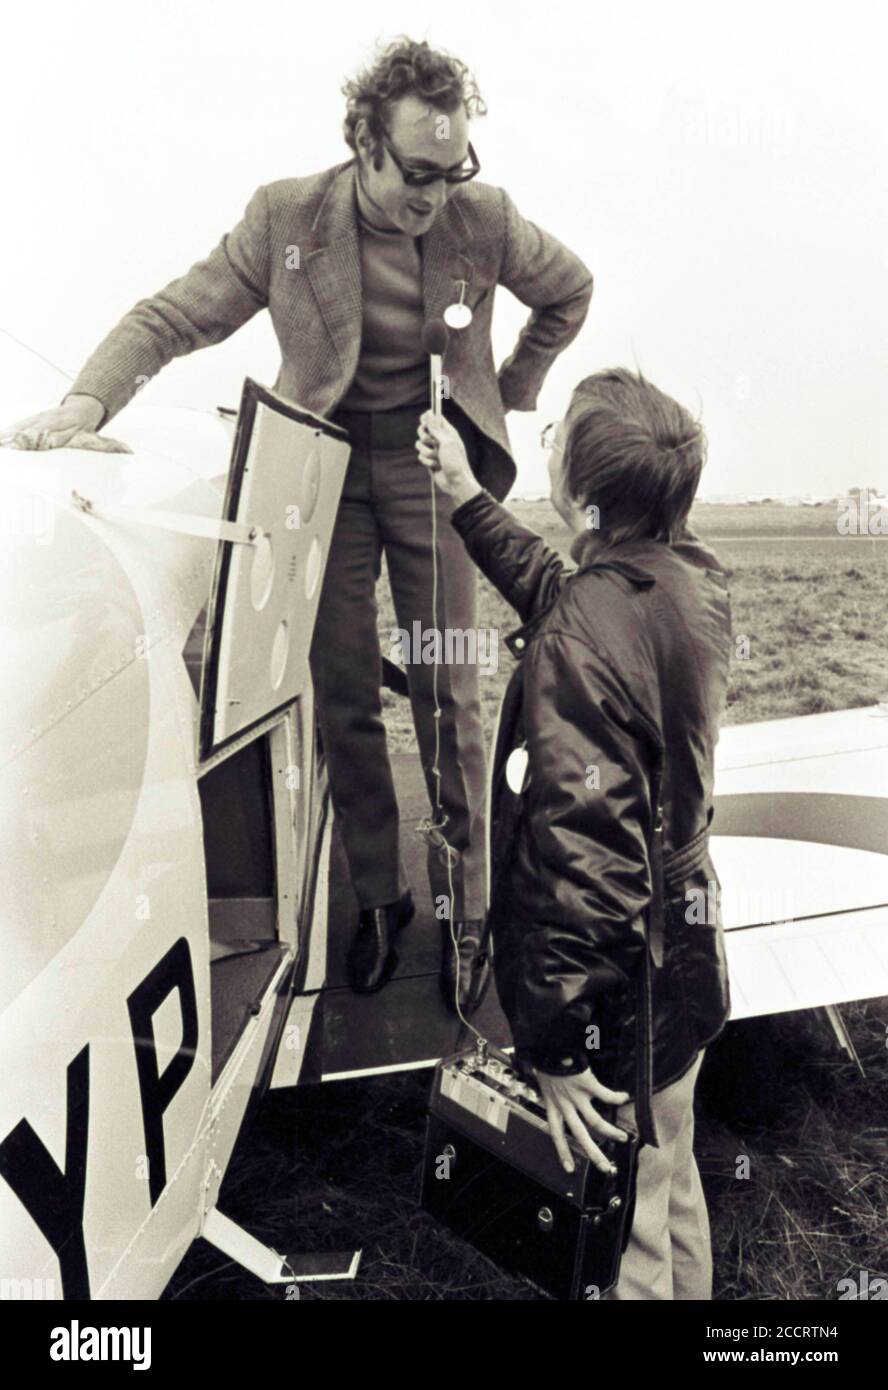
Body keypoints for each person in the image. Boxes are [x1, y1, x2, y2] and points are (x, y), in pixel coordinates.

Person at [3, 38, 593, 1013]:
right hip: (321, 485)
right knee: (346, 696)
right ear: (364, 144)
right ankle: (377, 901)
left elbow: (569, 290)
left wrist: (509, 391)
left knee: (453, 688)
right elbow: (172, 317)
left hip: (435, 479)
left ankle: (469, 915)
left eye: (456, 173)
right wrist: (84, 403)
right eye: (417, 174)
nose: (437, 196)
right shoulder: (286, 216)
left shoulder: (486, 217)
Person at [416, 367, 733, 1299]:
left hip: (619, 996)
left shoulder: (580, 638)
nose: (544, 441)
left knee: (620, 1232)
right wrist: (470, 500)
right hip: (687, 958)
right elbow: (572, 594)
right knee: (670, 1181)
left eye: (556, 436)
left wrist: (556, 1047)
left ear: (586, 501)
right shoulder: (685, 582)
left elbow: (578, 866)